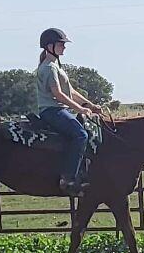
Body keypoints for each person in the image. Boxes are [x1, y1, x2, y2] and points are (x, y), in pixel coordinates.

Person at [36, 28, 102, 196]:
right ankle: (68, 178)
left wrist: (90, 105)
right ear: (50, 46)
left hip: (58, 109)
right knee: (81, 135)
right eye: (61, 44)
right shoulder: (49, 68)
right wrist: (79, 109)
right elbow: (58, 94)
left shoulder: (56, 66)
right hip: (52, 110)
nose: (64, 47)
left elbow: (70, 91)